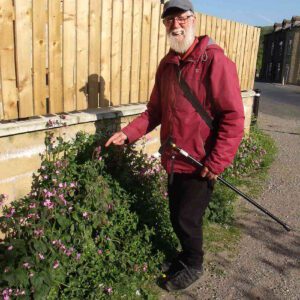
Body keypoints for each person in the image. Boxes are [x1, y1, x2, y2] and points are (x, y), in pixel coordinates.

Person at [105, 0, 245, 292]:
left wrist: (217, 161)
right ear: (165, 26)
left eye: (182, 18)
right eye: (170, 21)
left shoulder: (215, 61)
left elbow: (233, 116)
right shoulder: (167, 65)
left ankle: (194, 263)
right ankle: (184, 255)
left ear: (193, 20)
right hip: (173, 157)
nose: (176, 25)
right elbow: (154, 111)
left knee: (187, 218)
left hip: (201, 161)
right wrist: (127, 134)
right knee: (175, 213)